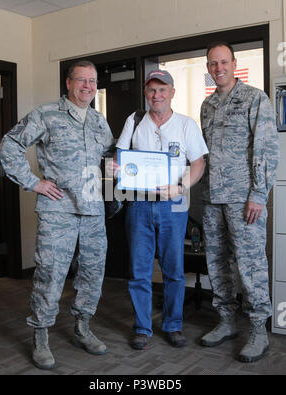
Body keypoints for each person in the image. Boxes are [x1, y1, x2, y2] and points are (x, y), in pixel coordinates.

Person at [0, 60, 114, 370]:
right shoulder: (46, 114)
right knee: (50, 276)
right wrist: (33, 182)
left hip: (92, 212)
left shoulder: (99, 121)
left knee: (92, 275)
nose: (87, 86)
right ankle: (40, 337)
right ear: (68, 83)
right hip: (58, 212)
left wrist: (111, 168)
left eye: (92, 81)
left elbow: (105, 159)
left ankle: (82, 328)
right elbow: (10, 143)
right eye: (81, 80)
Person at [116, 69, 208, 350]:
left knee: (174, 270)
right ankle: (143, 327)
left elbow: (198, 163)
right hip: (139, 205)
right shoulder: (135, 120)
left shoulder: (186, 125)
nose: (157, 95)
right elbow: (120, 156)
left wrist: (180, 187)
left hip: (174, 205)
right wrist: (116, 168)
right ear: (146, 93)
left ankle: (173, 325)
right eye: (152, 90)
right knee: (139, 270)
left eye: (162, 89)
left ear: (172, 92)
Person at [200, 42, 280, 362]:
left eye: (223, 62)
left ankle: (258, 330)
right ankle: (227, 321)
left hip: (243, 199)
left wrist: (259, 194)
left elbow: (266, 149)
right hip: (210, 198)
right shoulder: (207, 105)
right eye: (212, 63)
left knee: (250, 264)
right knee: (217, 263)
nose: (218, 68)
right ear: (209, 67)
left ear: (234, 63)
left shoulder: (254, 98)